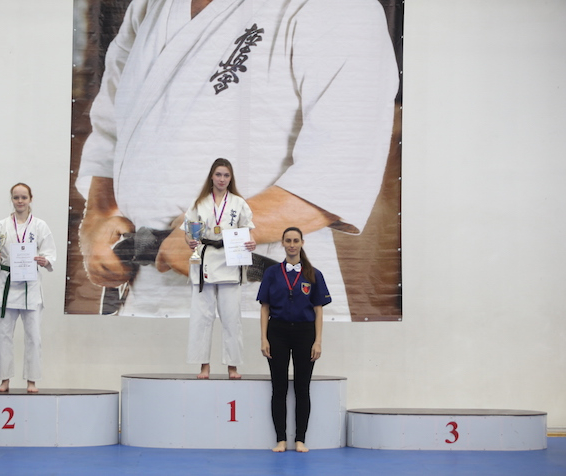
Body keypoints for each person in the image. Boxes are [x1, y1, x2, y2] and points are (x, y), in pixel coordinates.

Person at [75, 0, 399, 320]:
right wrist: (99, 214)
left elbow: (339, 167)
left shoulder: (340, 8)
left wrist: (215, 229)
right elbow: (112, 124)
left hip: (256, 285)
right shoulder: (150, 5)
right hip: (146, 286)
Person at [257, 227, 331, 453]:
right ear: (282, 243)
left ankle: (300, 439)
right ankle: (281, 439)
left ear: (302, 243)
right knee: (279, 387)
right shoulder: (272, 273)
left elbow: (318, 310)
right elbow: (264, 308)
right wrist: (264, 338)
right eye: (288, 240)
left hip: (305, 333)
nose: (292, 244)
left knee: (302, 387)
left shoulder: (313, 274)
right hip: (277, 332)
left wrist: (318, 341)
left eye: (295, 240)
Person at [183, 158, 256, 379]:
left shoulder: (238, 203)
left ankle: (232, 366)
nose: (222, 179)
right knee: (201, 317)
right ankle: (204, 366)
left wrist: (251, 242)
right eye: (218, 175)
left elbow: (248, 230)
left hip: (230, 260)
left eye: (226, 175)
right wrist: (190, 241)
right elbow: (188, 230)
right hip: (204, 259)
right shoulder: (199, 203)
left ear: (231, 178)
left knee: (232, 318)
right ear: (211, 177)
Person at [0, 183, 57, 393]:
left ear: (30, 199)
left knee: (33, 336)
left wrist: (45, 260)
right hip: (7, 284)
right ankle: (5, 380)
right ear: (12, 199)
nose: (20, 201)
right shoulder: (1, 226)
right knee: (4, 335)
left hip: (30, 286)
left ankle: (32, 381)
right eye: (16, 197)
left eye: (24, 197)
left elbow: (50, 252)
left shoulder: (40, 226)